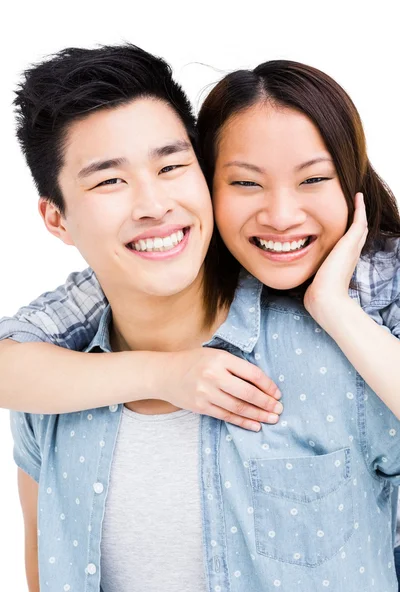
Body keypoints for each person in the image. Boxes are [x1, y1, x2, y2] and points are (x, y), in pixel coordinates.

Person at [4, 49, 400, 590]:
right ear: (56, 217)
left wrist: (336, 309)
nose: (153, 204)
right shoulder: (49, 391)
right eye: (108, 182)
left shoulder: (350, 350)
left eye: (171, 167)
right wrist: (166, 374)